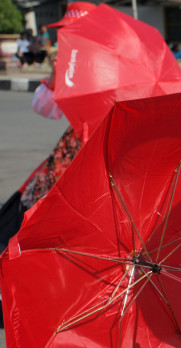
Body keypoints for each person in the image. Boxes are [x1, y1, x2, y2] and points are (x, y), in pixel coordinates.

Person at [0, 1, 97, 253]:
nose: (64, 35)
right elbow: (46, 108)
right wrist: (57, 78)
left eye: (72, 30)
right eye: (65, 30)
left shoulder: (106, 64)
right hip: (74, 145)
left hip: (98, 147)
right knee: (38, 203)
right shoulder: (71, 63)